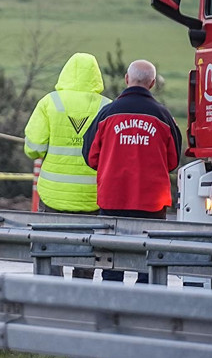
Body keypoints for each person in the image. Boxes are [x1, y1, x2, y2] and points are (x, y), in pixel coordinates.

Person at [82, 59, 182, 283]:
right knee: (148, 268)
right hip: (151, 204)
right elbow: (173, 161)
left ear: (127, 79)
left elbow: (90, 157)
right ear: (153, 83)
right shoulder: (163, 117)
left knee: (112, 265)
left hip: (112, 201)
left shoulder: (106, 114)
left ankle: (113, 312)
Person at [24, 52, 110, 279]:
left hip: (53, 196)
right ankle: (79, 302)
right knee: (86, 254)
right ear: (96, 76)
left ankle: (52, 301)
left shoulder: (50, 102)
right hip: (90, 198)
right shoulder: (107, 107)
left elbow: (33, 148)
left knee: (49, 252)